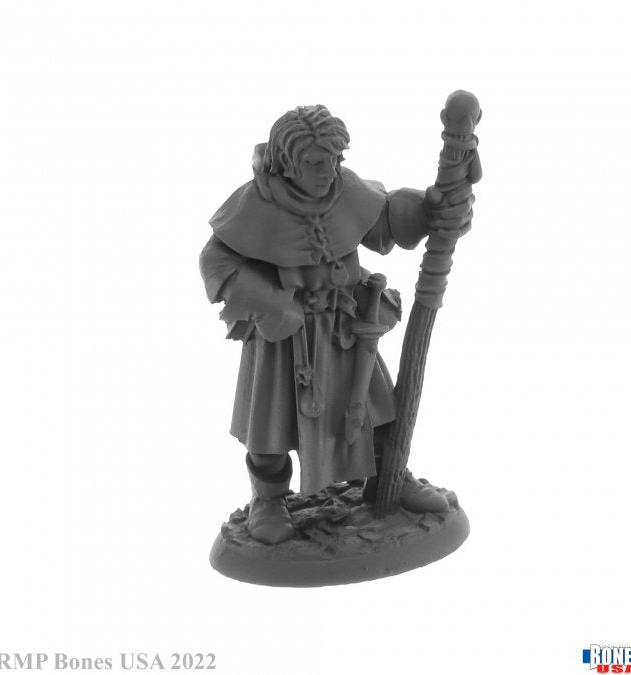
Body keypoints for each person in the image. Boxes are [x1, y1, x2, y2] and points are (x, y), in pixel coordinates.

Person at [200, 105, 473, 544]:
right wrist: (268, 303)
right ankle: (268, 499)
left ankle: (389, 478)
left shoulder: (344, 190)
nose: (328, 172)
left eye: (334, 160)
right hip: (284, 339)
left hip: (345, 327)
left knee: (377, 411)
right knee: (270, 428)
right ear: (288, 162)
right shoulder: (252, 205)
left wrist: (431, 212)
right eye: (315, 162)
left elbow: (385, 219)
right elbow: (217, 263)